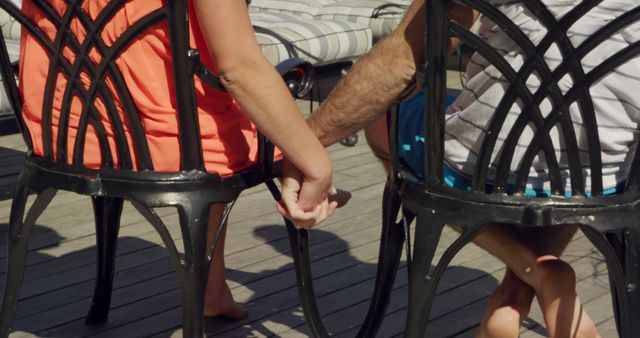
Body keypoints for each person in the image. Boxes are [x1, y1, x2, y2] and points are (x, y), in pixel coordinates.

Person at [280, 0, 640, 337]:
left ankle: (530, 275)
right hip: (605, 168)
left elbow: (403, 58)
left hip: (485, 161)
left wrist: (303, 142)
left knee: (386, 120)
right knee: (570, 156)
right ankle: (521, 289)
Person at [19, 0, 340, 320]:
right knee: (225, 121)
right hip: (163, 139)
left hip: (66, 132)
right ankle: (211, 289)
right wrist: (316, 163)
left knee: (216, 112)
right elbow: (237, 69)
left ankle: (212, 290)